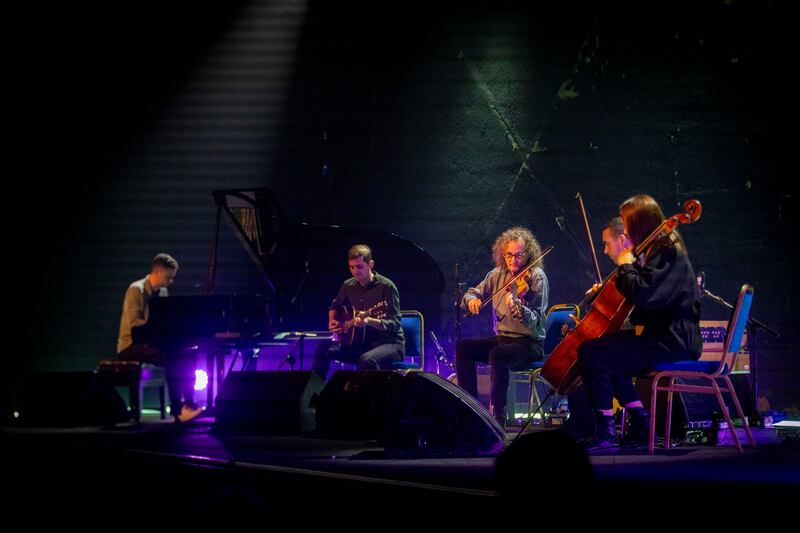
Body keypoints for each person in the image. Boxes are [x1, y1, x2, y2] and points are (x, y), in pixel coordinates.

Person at [577, 195, 702, 451]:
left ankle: (607, 435)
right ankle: (642, 425)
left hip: (672, 341)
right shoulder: (660, 251)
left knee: (591, 353)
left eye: (626, 221)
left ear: (638, 222)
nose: (625, 228)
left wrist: (625, 266)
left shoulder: (665, 252)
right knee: (607, 352)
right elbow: (647, 302)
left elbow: (644, 294)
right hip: (668, 337)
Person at [457, 227, 549, 426]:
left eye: (518, 255)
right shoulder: (496, 274)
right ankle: (472, 410)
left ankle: (498, 416)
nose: (513, 260)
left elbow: (535, 320)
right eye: (509, 255)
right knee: (464, 349)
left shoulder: (536, 277)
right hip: (503, 339)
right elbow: (473, 292)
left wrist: (518, 308)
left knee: (498, 355)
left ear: (528, 254)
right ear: (502, 253)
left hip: (529, 343)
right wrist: (471, 300)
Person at [117, 253, 203, 423]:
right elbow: (135, 324)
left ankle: (189, 403)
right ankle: (178, 411)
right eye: (168, 277)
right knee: (170, 357)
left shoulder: (163, 291)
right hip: (131, 345)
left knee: (188, 354)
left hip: (151, 341)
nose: (171, 281)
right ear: (156, 272)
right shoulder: (137, 290)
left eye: (172, 277)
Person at [311, 244, 405, 379]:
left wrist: (368, 321)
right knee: (324, 347)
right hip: (362, 344)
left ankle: (370, 400)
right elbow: (335, 306)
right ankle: (313, 395)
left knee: (367, 360)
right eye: (352, 267)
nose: (355, 271)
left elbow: (394, 324)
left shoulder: (387, 287)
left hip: (390, 345)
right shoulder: (348, 285)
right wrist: (332, 321)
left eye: (360, 267)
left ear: (370, 264)